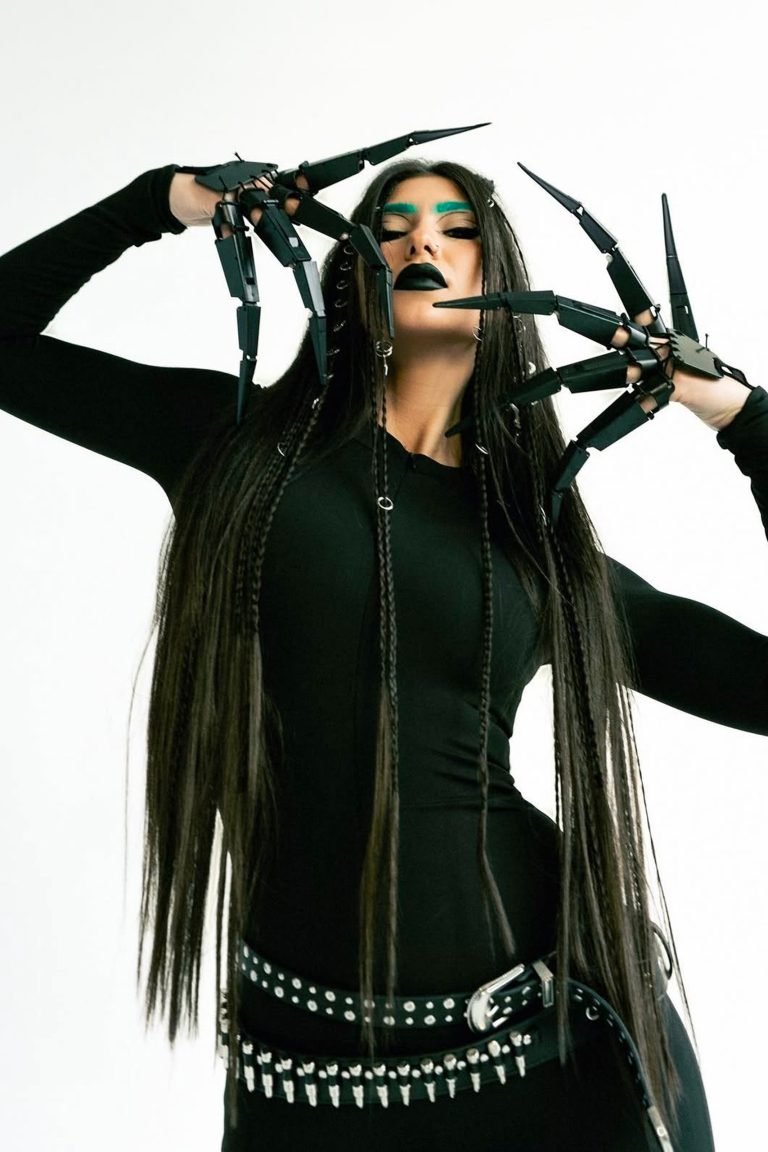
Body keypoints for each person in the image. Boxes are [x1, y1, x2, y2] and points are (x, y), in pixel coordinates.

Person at [1, 149, 766, 1152]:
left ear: (502, 283)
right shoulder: (233, 444)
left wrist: (743, 418)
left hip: (557, 1058)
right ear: (349, 274)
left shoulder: (540, 549)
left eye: (455, 230)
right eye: (393, 227)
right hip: (308, 1076)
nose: (420, 242)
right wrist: (162, 201)